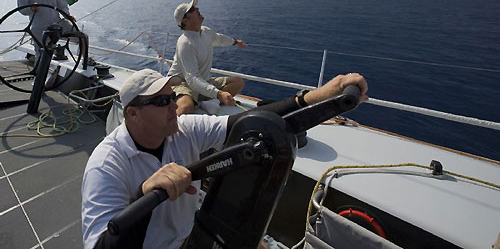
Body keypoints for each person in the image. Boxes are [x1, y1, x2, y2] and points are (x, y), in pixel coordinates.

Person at [81, 68, 368, 248]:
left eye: (171, 97)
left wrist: (320, 96)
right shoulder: (106, 165)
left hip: (192, 235)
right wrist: (142, 198)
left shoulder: (183, 129)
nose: (172, 105)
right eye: (160, 101)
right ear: (132, 113)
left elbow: (248, 122)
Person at [167, 0, 247, 116]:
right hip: (183, 83)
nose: (198, 9)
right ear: (185, 20)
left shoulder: (205, 32)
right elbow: (192, 78)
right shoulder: (185, 43)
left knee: (238, 82)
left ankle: (203, 101)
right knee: (185, 108)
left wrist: (235, 42)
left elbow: (219, 39)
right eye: (193, 9)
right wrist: (219, 94)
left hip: (203, 81)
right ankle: (203, 101)